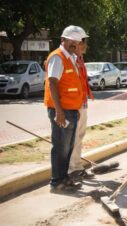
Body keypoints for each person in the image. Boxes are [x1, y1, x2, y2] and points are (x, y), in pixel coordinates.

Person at [44, 25, 85, 192]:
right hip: (62, 111)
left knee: (67, 146)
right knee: (60, 146)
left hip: (71, 110)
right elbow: (52, 83)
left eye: (78, 41)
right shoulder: (57, 57)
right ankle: (56, 182)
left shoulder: (71, 58)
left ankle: (64, 177)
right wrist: (59, 112)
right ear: (63, 40)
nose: (76, 44)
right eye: (73, 41)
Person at [69, 27, 95, 181]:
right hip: (74, 105)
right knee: (74, 138)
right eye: (83, 42)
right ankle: (72, 169)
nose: (85, 45)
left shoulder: (79, 59)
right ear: (76, 43)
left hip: (82, 103)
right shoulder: (70, 59)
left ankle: (77, 166)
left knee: (79, 136)